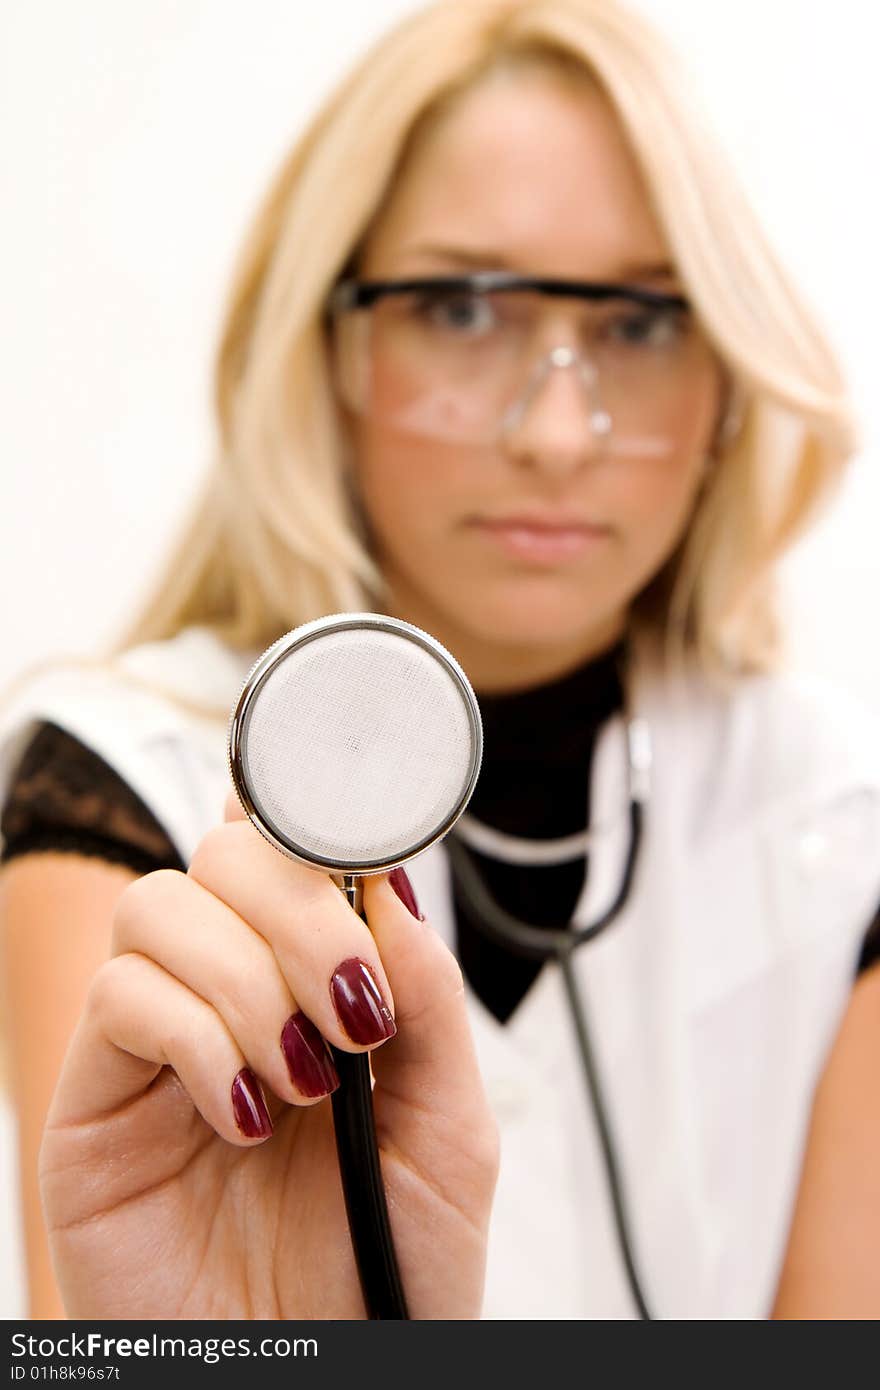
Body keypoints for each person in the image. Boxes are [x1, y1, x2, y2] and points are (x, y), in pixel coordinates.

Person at [1, 0, 879, 1321]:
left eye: (641, 322)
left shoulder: (840, 812)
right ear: (329, 346)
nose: (561, 434)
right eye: (465, 307)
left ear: (731, 377)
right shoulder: (115, 778)